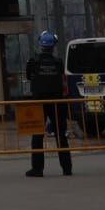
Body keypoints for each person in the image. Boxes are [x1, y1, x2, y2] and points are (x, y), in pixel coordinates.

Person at [25, 30, 72, 178]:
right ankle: (67, 168)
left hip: (39, 102)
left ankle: (37, 169)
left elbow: (28, 76)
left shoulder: (33, 62)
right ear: (53, 46)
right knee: (61, 135)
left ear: (40, 45)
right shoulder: (58, 62)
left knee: (37, 136)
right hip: (57, 102)